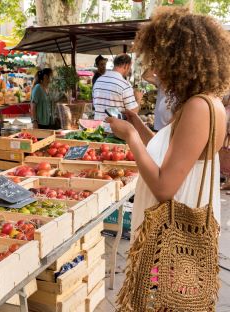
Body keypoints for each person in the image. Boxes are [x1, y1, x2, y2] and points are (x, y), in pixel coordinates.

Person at [106, 7, 229, 310]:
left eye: (161, 61)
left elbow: (164, 186)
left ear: (180, 59)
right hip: (182, 218)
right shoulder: (206, 102)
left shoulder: (199, 107)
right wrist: (138, 125)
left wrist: (131, 139)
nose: (157, 71)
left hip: (174, 227)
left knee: (164, 301)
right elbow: (175, 155)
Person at [93, 53, 139, 121]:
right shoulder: (125, 84)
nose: (129, 70)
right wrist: (138, 99)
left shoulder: (98, 81)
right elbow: (133, 113)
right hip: (116, 129)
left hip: (98, 127)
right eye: (130, 67)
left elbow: (95, 105)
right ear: (126, 66)